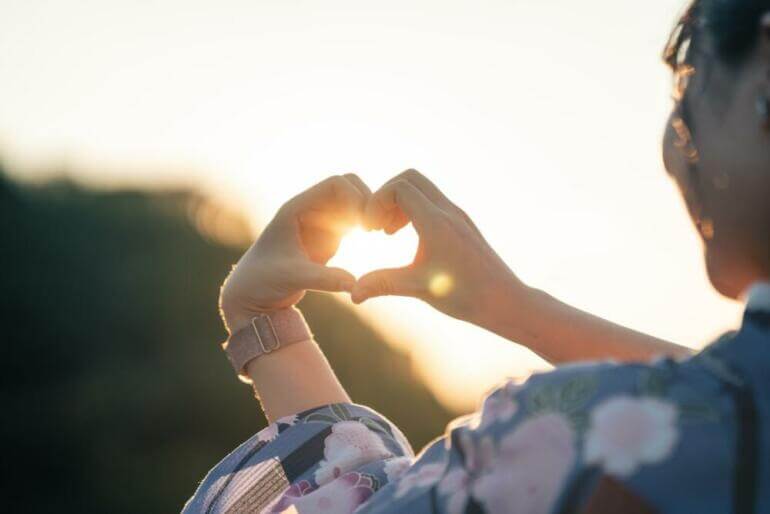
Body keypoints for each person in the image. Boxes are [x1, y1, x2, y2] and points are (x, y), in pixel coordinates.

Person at [183, 0, 770, 512]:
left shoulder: (572, 438)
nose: (674, 152)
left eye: (689, 106)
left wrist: (264, 322)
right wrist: (514, 305)